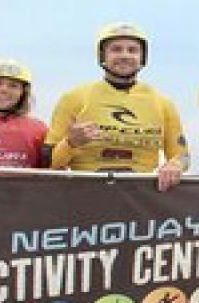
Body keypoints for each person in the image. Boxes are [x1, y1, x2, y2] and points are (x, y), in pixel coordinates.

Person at [46, 22, 188, 190]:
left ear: (142, 58)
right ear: (102, 56)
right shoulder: (74, 98)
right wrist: (71, 143)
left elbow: (183, 156)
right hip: (85, 194)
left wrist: (175, 165)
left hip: (141, 199)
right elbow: (48, 164)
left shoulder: (163, 104)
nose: (125, 55)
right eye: (116, 49)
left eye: (132, 50)